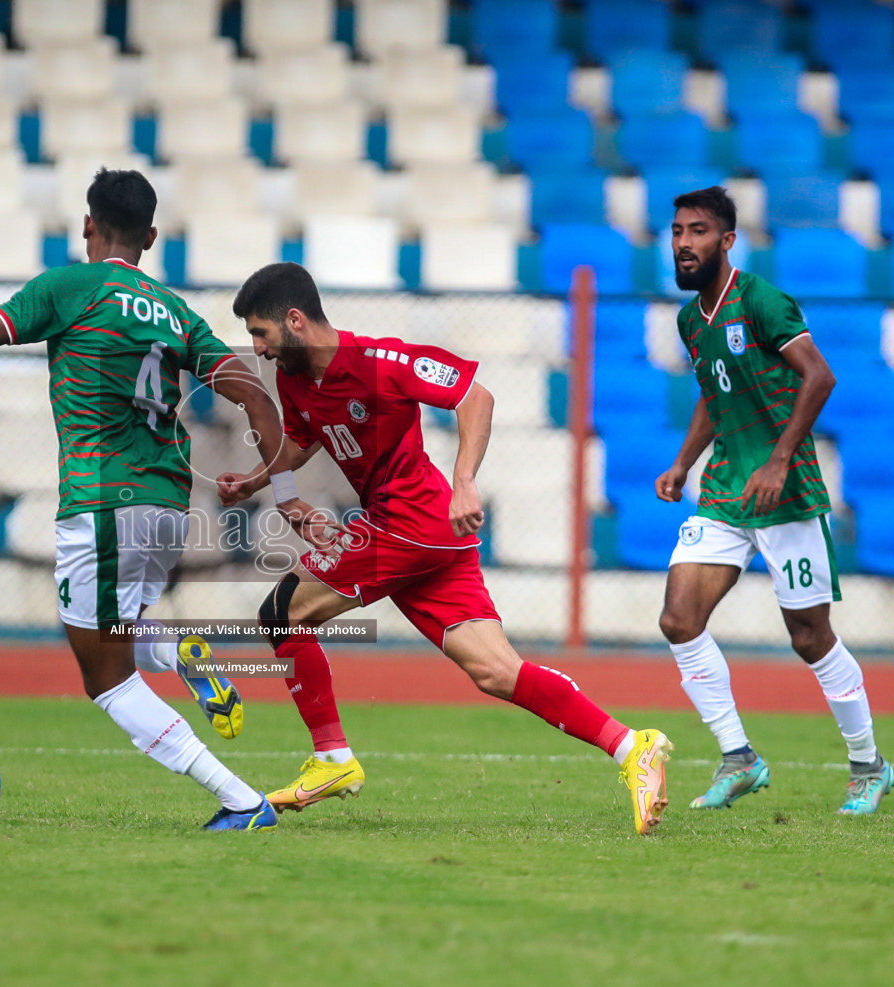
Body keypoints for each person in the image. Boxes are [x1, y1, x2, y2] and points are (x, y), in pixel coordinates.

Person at [0, 168, 323, 832]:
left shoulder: (69, 287)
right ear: (152, 237)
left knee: (107, 681)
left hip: (102, 500)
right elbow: (253, 391)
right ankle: (181, 652)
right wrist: (281, 491)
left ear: (86, 226)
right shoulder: (176, 312)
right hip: (169, 504)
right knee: (124, 621)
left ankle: (240, 799)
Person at [216, 262, 674, 836]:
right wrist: (256, 483)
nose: (258, 349)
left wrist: (465, 478)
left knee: (281, 613)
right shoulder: (295, 381)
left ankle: (332, 759)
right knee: (496, 671)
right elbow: (302, 442)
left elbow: (473, 396)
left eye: (261, 333)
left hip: (410, 522)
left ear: (296, 320)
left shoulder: (382, 363)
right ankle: (633, 747)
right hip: (428, 538)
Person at [654, 186, 894, 815]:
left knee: (809, 637)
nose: (684, 242)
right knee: (679, 619)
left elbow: (820, 375)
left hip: (785, 494)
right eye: (678, 231)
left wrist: (780, 458)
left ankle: (869, 765)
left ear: (726, 241)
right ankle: (739, 757)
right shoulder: (689, 321)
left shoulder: (759, 299)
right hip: (726, 492)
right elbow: (715, 390)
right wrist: (684, 462)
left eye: (698, 231)